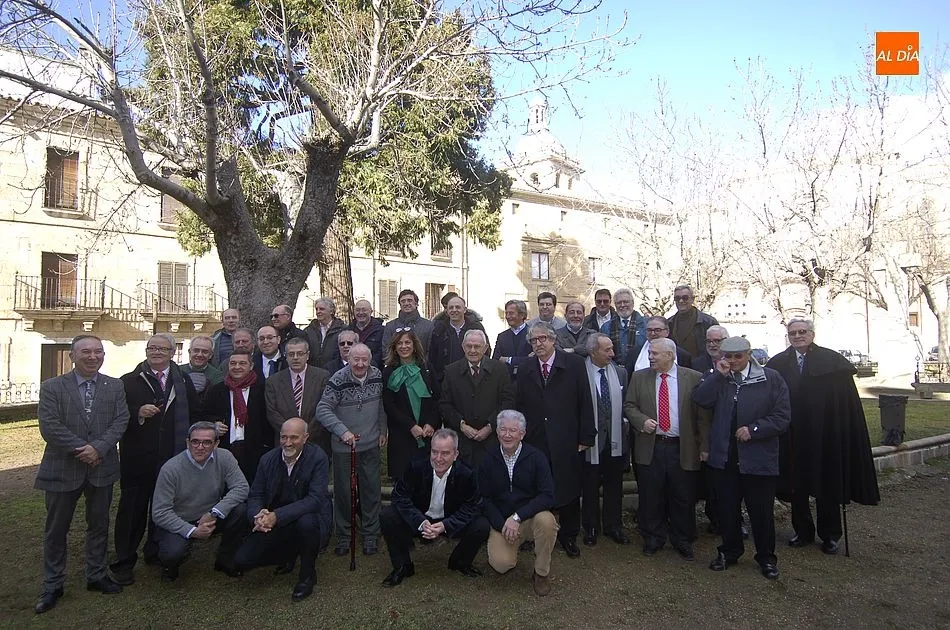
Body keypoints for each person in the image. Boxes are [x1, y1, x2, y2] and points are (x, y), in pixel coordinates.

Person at [766, 318, 879, 555]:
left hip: (824, 433)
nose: (797, 336)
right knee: (796, 485)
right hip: (793, 435)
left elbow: (844, 402)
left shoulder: (832, 362)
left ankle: (830, 535)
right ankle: (803, 531)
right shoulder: (778, 363)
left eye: (802, 332)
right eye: (793, 333)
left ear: (812, 333)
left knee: (827, 483)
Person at [34, 335, 129, 614]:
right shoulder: (52, 387)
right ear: (73, 356)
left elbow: (120, 420)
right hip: (63, 467)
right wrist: (82, 449)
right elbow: (49, 426)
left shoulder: (115, 386)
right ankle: (53, 584)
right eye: (85, 352)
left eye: (98, 352)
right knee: (56, 529)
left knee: (98, 525)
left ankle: (96, 575)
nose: (92, 356)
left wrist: (98, 448)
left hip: (102, 467)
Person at [693, 336, 790, 580]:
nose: (733, 361)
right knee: (727, 510)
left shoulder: (771, 378)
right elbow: (701, 400)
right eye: (728, 356)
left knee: (761, 512)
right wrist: (718, 376)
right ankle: (730, 551)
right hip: (725, 457)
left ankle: (766, 557)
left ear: (748, 354)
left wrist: (755, 429)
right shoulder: (717, 377)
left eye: (738, 356)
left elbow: (782, 416)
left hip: (758, 457)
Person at [112, 333, 201, 586]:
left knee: (163, 509)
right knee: (132, 511)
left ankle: (156, 552)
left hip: (172, 457)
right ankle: (124, 561)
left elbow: (194, 412)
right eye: (152, 347)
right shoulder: (128, 381)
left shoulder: (182, 379)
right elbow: (116, 415)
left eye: (162, 348)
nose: (156, 352)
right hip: (138, 457)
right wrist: (136, 412)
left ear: (173, 352)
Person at [624, 338, 709, 560]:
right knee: (651, 495)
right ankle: (653, 538)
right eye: (650, 353)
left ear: (670, 355)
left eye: (655, 353)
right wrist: (641, 420)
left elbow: (702, 417)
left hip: (682, 448)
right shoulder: (640, 377)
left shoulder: (693, 378)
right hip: (651, 446)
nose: (650, 357)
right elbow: (629, 405)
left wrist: (704, 446)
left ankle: (682, 539)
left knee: (683, 496)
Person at [516, 322, 595, 559]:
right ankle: (533, 534)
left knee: (568, 488)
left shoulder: (575, 364)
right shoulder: (526, 367)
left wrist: (586, 436)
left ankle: (568, 536)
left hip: (566, 437)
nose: (538, 344)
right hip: (536, 439)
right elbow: (520, 405)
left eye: (543, 339)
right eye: (533, 341)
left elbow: (585, 400)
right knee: (535, 488)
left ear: (553, 340)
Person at [233, 418, 333, 602]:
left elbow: (315, 499)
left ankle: (307, 575)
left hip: (310, 519)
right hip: (275, 521)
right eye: (283, 437)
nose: (288, 443)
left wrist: (276, 516)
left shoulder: (318, 458)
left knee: (307, 522)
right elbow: (255, 495)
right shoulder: (267, 459)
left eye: (294, 438)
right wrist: (258, 516)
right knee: (242, 560)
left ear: (305, 438)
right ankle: (288, 555)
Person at [380, 428, 490, 587]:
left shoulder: (467, 474)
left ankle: (460, 562)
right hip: (420, 516)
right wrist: (420, 521)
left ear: (456, 454)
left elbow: (473, 506)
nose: (438, 458)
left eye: (445, 453)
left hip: (449, 518)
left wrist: (446, 525)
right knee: (388, 515)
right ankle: (402, 566)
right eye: (434, 452)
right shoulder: (415, 466)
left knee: (482, 525)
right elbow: (400, 497)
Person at [150, 421, 249, 582]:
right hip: (180, 519)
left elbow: (242, 487)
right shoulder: (171, 469)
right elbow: (160, 513)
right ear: (188, 442)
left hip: (210, 516)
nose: (200, 447)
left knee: (241, 511)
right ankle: (170, 565)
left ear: (216, 444)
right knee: (172, 552)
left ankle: (225, 558)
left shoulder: (224, 457)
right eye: (195, 441)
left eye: (207, 442)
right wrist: (192, 531)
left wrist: (214, 513)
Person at [316, 343, 388, 556]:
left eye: (364, 359)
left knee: (371, 491)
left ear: (370, 359)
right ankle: (345, 535)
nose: (360, 364)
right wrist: (342, 431)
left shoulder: (376, 375)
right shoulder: (338, 379)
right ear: (348, 358)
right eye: (355, 359)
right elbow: (323, 409)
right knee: (345, 493)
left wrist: (383, 430)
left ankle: (371, 534)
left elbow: (381, 406)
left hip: (371, 444)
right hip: (344, 447)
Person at [479, 410, 557, 597]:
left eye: (513, 430)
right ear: (497, 432)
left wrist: (518, 517)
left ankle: (541, 573)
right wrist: (502, 525)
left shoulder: (537, 457)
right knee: (501, 565)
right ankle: (511, 544)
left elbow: (548, 496)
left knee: (547, 522)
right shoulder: (487, 459)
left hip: (530, 518)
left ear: (522, 433)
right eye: (503, 429)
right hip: (503, 522)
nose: (507, 435)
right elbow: (483, 499)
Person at [581, 333, 630, 547]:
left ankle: (614, 526)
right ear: (593, 352)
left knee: (614, 486)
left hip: (615, 441)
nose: (612, 353)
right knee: (590, 486)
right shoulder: (579, 373)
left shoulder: (620, 373)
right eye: (606, 350)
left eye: (612, 348)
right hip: (589, 442)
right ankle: (591, 527)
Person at [440, 330, 515, 468]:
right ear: (463, 347)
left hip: (492, 439)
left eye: (477, 346)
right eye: (469, 346)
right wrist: (462, 426)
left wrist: (490, 426)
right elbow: (445, 404)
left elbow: (507, 402)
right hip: (461, 441)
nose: (472, 350)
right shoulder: (451, 371)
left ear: (485, 348)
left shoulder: (499, 369)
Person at [204, 349, 272, 482]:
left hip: (254, 450)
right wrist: (214, 424)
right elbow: (205, 414)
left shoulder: (262, 390)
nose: (237, 367)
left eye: (242, 363)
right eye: (233, 363)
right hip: (225, 450)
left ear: (251, 366)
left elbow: (268, 420)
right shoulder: (216, 390)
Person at [383, 329, 441, 480]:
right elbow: (389, 405)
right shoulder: (389, 372)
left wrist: (432, 423)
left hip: (425, 433)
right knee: (402, 481)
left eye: (407, 342)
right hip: (401, 435)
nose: (404, 346)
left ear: (414, 345)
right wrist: (410, 426)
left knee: (424, 481)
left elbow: (437, 399)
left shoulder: (427, 369)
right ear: (394, 347)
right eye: (399, 343)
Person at [690, 325, 731, 533]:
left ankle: (731, 521)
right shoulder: (697, 364)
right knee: (709, 479)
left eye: (718, 341)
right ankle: (714, 518)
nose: (713, 345)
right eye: (709, 341)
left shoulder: (735, 361)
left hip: (730, 427)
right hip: (705, 426)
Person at [265, 337, 331, 455]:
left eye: (300, 354)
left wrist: (305, 434)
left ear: (307, 355)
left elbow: (324, 408)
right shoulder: (273, 381)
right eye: (291, 354)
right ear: (285, 356)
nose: (295, 358)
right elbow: (272, 412)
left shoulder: (322, 377)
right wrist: (290, 434)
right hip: (285, 444)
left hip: (315, 441)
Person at [428, 295, 489, 385]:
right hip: (446, 381)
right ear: (447, 311)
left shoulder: (476, 327)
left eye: (458, 307)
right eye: (451, 308)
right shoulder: (439, 330)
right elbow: (433, 357)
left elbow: (486, 351)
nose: (454, 310)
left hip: (473, 379)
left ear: (464, 310)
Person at [624, 316, 692, 375]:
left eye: (657, 330)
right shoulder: (634, 353)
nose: (653, 333)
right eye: (649, 330)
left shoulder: (682, 355)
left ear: (667, 332)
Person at [667, 285, 719, 359]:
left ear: (692, 299)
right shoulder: (669, 323)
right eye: (677, 298)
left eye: (685, 298)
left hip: (701, 367)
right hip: (678, 366)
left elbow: (719, 346)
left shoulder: (708, 322)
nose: (681, 301)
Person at [600, 287, 645, 362]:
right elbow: (603, 352)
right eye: (619, 303)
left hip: (640, 369)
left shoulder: (645, 324)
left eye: (626, 302)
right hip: (615, 370)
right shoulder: (606, 327)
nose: (622, 305)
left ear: (633, 303)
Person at [492, 299, 533, 382]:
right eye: (506, 313)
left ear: (522, 315)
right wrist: (524, 359)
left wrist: (509, 360)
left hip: (528, 381)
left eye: (511, 313)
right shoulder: (502, 337)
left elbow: (534, 360)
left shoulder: (533, 334)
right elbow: (495, 360)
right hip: (506, 382)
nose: (507, 316)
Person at [305, 297, 347, 369]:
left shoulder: (342, 330)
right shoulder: (309, 330)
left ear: (331, 311)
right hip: (313, 372)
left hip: (334, 371)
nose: (318, 312)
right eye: (316, 309)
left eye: (322, 309)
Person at [349, 299, 384, 368]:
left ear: (371, 311)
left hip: (374, 370)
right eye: (357, 310)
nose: (361, 313)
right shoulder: (348, 330)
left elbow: (381, 353)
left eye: (364, 310)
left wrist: (368, 366)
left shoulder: (381, 331)